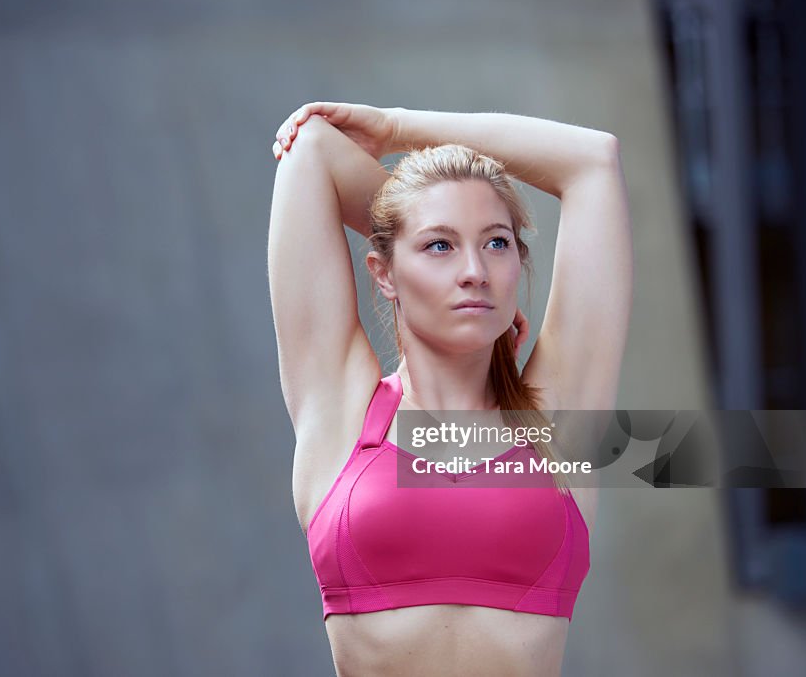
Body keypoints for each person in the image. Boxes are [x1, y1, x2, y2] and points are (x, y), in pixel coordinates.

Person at [267, 102, 632, 677]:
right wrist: (411, 216)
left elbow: (592, 160)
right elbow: (311, 147)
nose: (474, 272)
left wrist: (396, 129)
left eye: (496, 244)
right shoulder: (341, 407)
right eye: (441, 247)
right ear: (383, 272)